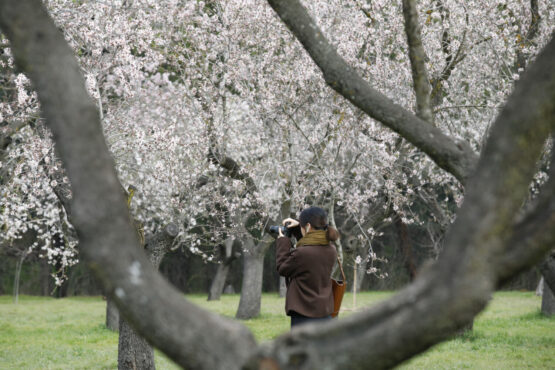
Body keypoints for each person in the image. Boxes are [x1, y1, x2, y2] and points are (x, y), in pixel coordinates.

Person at [276, 206, 340, 328]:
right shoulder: (331, 249)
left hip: (303, 312)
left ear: (308, 226)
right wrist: (298, 228)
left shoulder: (302, 253)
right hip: (324, 311)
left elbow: (282, 267)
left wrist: (283, 241)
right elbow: (310, 247)